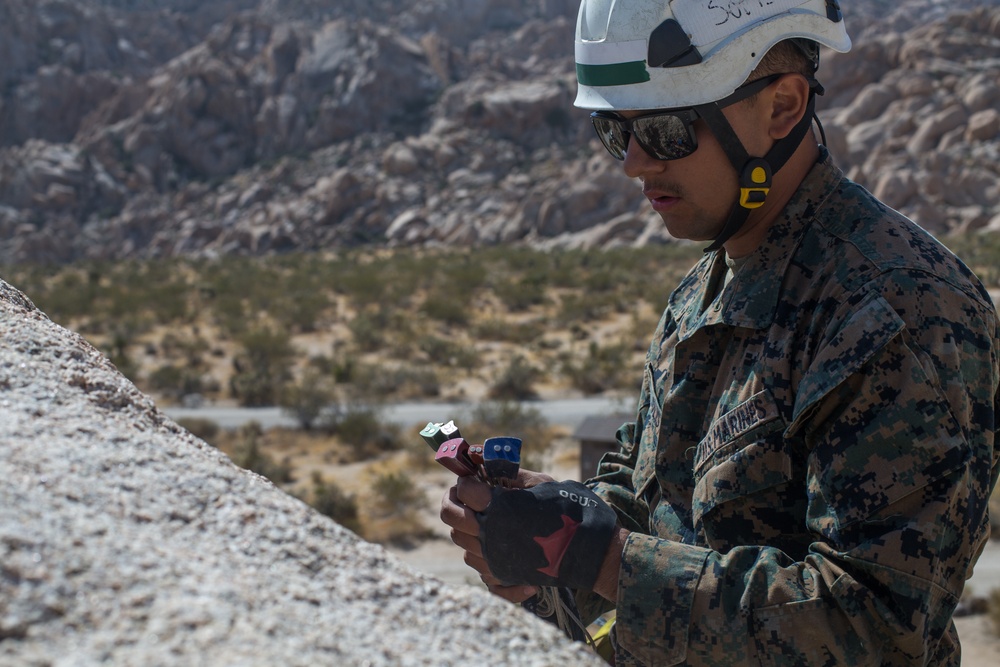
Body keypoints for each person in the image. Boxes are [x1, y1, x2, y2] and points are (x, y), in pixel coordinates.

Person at [440, 1, 1000, 664]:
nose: (635, 163)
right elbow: (649, 516)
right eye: (616, 131)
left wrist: (598, 555)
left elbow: (874, 622)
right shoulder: (702, 291)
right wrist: (545, 552)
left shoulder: (897, 308)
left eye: (669, 128)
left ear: (783, 107)